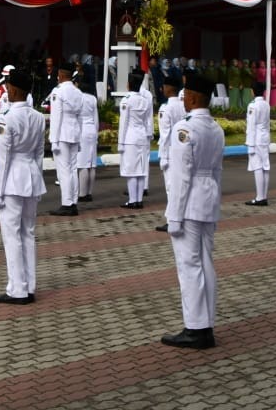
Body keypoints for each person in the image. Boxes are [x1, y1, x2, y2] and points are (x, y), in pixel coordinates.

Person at [160, 72, 224, 350]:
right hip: (208, 196)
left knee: (189, 265)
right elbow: (218, 171)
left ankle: (196, 327)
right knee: (205, 262)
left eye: (186, 95)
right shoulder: (216, 128)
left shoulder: (184, 129)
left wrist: (173, 215)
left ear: (195, 97)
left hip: (189, 201)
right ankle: (205, 323)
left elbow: (181, 176)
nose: (183, 98)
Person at [0, 70, 45, 304]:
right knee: (28, 233)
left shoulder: (6, 117)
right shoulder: (38, 117)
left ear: (13, 90)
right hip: (32, 177)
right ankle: (29, 285)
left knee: (12, 235)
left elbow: (2, 160)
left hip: (12, 180)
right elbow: (40, 154)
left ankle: (17, 289)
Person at [48, 60, 83, 216]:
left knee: (64, 171)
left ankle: (67, 203)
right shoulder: (78, 92)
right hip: (75, 132)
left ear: (61, 75)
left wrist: (53, 139)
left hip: (62, 134)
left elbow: (56, 117)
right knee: (73, 169)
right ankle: (73, 201)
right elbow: (80, 117)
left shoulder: (58, 92)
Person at [118, 71, 153, 209]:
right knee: (140, 170)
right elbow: (147, 121)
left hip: (130, 138)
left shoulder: (126, 100)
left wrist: (120, 142)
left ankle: (133, 200)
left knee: (131, 170)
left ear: (128, 84)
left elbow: (124, 123)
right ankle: (138, 200)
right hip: (142, 137)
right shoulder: (144, 100)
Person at [155, 71, 185, 230]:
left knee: (170, 187)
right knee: (179, 186)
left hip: (171, 152)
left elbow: (165, 134)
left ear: (168, 88)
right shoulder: (183, 105)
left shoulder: (165, 108)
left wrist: (163, 156)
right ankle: (179, 217)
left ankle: (173, 221)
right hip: (182, 150)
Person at [244, 80, 271, 207]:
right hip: (265, 137)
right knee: (265, 167)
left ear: (252, 91)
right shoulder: (266, 104)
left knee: (257, 167)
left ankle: (260, 197)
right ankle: (264, 196)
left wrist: (250, 144)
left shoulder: (253, 105)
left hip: (256, 139)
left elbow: (251, 126)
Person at [76, 77, 99, 203]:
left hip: (82, 130)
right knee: (92, 164)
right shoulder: (93, 99)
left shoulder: (78, 98)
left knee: (83, 164)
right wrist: (96, 133)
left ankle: (82, 194)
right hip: (92, 130)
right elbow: (96, 119)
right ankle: (89, 192)